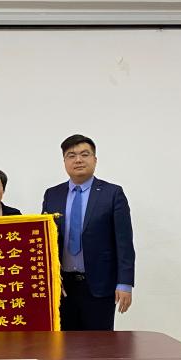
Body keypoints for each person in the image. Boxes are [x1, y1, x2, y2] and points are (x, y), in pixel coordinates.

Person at [41, 134, 135, 331]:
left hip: (99, 286)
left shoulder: (112, 194)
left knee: (99, 345)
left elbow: (124, 242)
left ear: (95, 159)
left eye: (84, 154)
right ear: (64, 161)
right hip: (62, 287)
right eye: (71, 155)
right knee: (63, 344)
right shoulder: (52, 195)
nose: (78, 160)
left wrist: (125, 283)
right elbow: (45, 240)